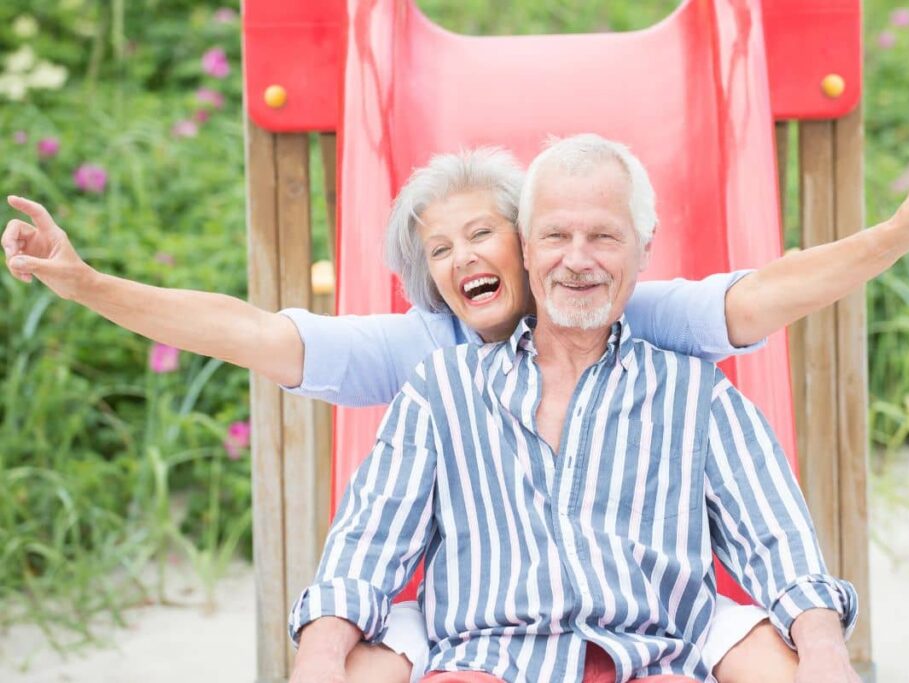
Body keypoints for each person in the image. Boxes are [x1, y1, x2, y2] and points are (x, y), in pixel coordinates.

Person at [1, 117, 909, 682]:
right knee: (369, 651)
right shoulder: (427, 365)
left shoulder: (653, 326)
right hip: (479, 615)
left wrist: (906, 227)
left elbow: (776, 289)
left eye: (485, 234)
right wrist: (86, 283)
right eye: (441, 250)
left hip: (647, 614)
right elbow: (255, 336)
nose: (471, 257)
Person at [288, 133, 863, 683]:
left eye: (605, 239)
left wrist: (823, 648)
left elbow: (778, 543)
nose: (578, 261)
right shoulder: (440, 390)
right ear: (528, 247)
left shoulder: (697, 395)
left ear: (644, 248)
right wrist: (318, 658)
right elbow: (366, 548)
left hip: (650, 661)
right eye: (557, 237)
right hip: (484, 663)